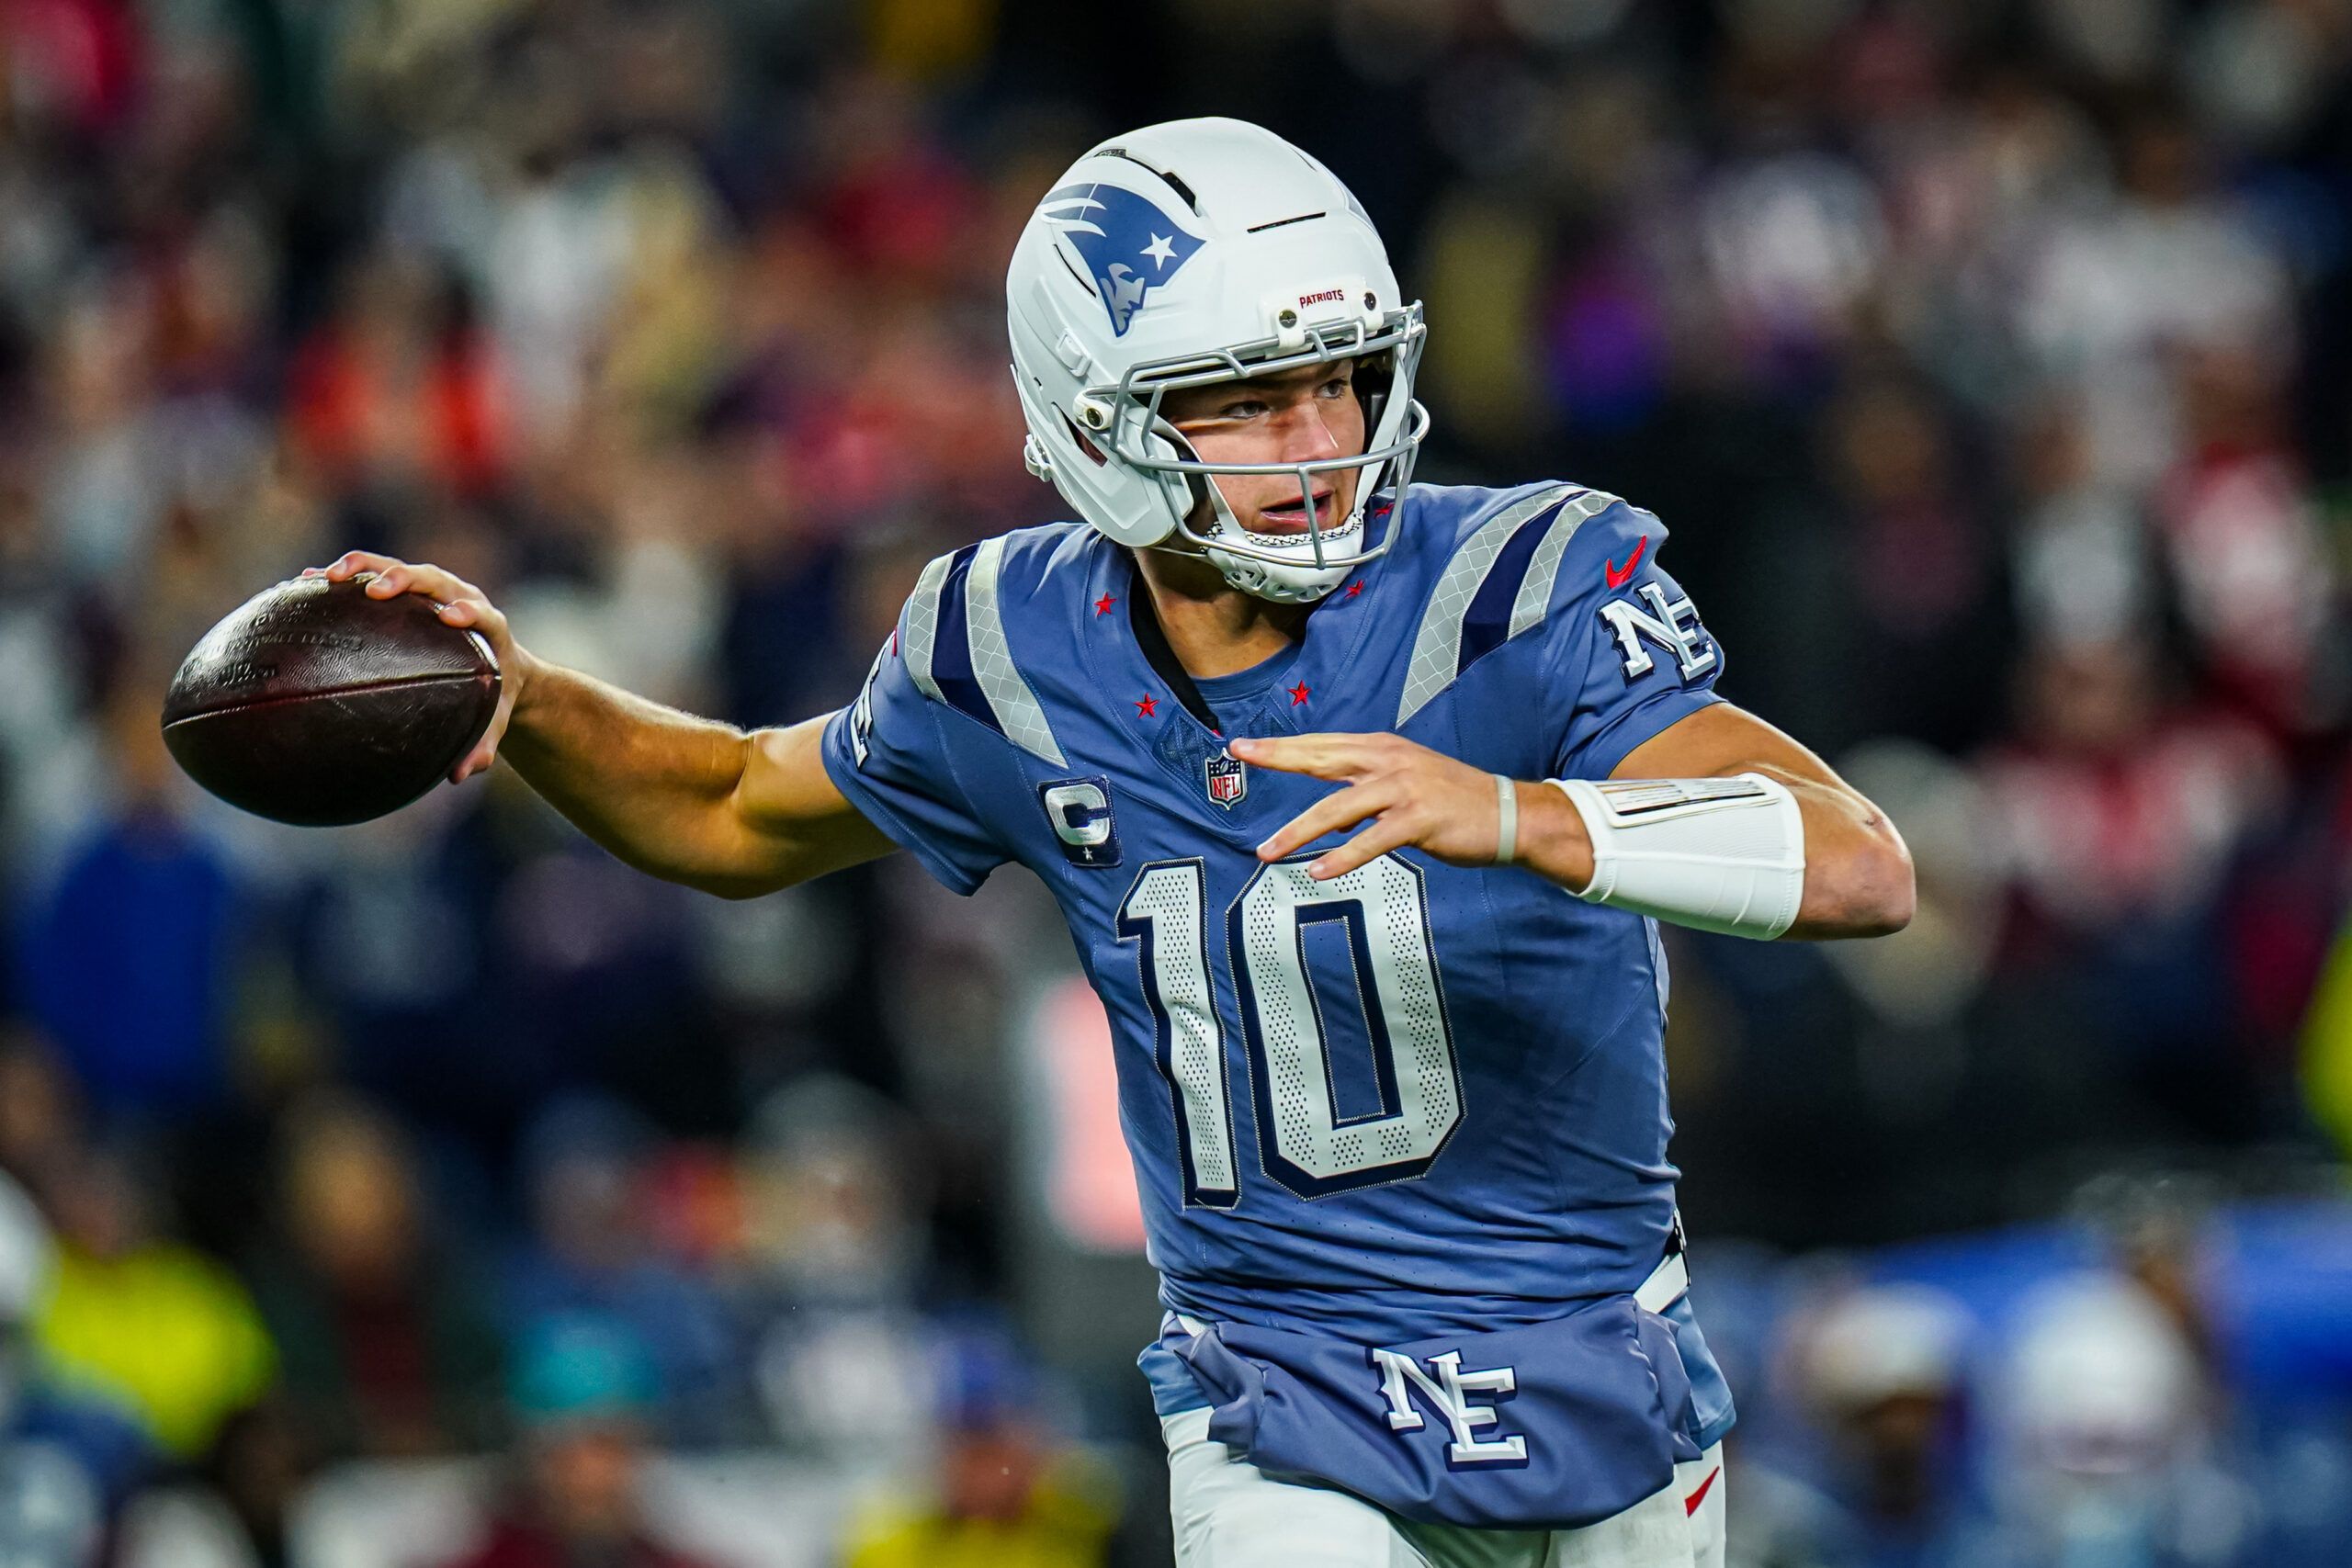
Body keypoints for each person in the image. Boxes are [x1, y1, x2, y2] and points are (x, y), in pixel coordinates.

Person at [311, 118, 1913, 1568]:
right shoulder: (1008, 649)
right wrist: (524, 697)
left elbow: (1859, 863)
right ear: (1098, 420)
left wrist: (1522, 816)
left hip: (1600, 1366)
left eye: (1344, 376)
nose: (1320, 436)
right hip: (1291, 1399)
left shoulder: (1524, 587)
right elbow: (736, 806)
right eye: (1250, 400)